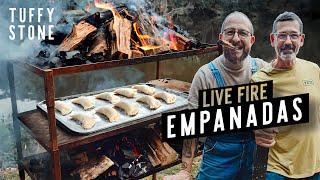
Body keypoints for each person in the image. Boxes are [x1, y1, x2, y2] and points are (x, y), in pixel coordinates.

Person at [163, 11, 266, 180]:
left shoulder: (263, 70)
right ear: (221, 37)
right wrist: (185, 171)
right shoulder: (205, 75)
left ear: (252, 40)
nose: (235, 39)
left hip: (253, 155)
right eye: (230, 32)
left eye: (243, 33)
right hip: (218, 158)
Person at [252, 11, 320, 179]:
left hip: (315, 165)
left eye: (294, 36)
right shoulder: (260, 79)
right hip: (278, 169)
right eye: (282, 36)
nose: (288, 42)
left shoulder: (314, 70)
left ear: (302, 40)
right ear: (272, 39)